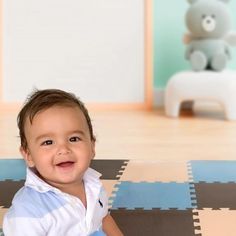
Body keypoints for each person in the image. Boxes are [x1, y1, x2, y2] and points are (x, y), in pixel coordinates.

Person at [3, 89, 123, 236]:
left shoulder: (94, 186)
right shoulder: (28, 212)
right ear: (29, 155)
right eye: (48, 142)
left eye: (73, 139)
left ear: (92, 146)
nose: (63, 149)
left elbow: (103, 218)